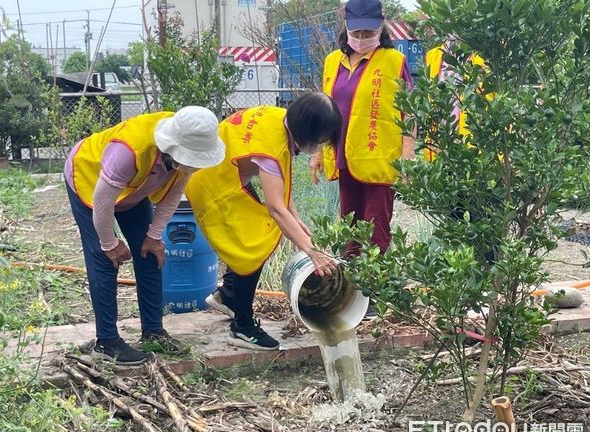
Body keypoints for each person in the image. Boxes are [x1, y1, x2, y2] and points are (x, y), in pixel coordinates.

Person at [64, 107, 225, 365]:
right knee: (105, 260)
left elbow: (173, 194)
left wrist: (154, 235)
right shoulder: (129, 152)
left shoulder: (187, 144)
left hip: (132, 189)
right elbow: (103, 200)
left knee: (150, 252)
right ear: (174, 148)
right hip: (88, 180)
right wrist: (109, 242)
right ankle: (106, 342)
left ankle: (153, 332)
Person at [186, 92, 342, 351]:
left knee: (255, 237)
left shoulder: (278, 119)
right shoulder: (271, 149)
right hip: (214, 187)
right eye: (321, 140)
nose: (321, 146)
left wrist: (297, 220)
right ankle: (242, 327)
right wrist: (312, 251)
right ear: (307, 132)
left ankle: (229, 293)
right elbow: (275, 209)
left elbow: (282, 189)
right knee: (254, 245)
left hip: (221, 176)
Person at [310, 0, 416, 255]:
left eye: (368, 33)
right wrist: (316, 153)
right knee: (350, 230)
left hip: (380, 161)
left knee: (376, 232)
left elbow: (410, 112)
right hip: (346, 158)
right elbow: (325, 109)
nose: (362, 38)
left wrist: (407, 158)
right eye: (356, 32)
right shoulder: (333, 61)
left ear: (381, 28)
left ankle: (373, 292)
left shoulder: (394, 61)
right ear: (346, 27)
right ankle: (351, 288)